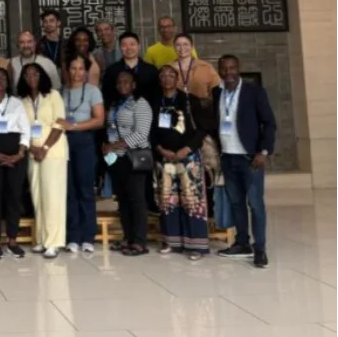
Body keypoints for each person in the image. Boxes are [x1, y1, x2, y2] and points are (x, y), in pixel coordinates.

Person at [214, 55, 276, 269]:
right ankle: (242, 244)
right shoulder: (217, 92)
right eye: (224, 68)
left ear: (238, 69)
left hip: (250, 158)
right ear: (219, 71)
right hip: (228, 157)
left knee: (256, 204)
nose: (228, 72)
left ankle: (260, 249)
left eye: (232, 67)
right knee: (236, 203)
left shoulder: (254, 92)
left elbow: (269, 123)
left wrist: (264, 151)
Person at [153, 66, 209, 260]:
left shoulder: (189, 100)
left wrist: (187, 149)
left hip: (189, 157)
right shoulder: (155, 101)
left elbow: (202, 129)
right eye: (163, 76)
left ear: (177, 79)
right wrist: (161, 150)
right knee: (168, 200)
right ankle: (172, 241)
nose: (167, 79)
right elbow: (151, 131)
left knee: (191, 199)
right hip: (165, 158)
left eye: (171, 75)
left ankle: (196, 245)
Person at [12, 62, 67, 258]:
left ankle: (54, 241)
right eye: (27, 75)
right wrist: (32, 148)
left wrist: (44, 147)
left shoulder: (53, 95)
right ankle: (43, 239)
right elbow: (22, 127)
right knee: (37, 196)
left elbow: (59, 123)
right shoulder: (23, 101)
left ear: (42, 75)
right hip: (32, 152)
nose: (31, 77)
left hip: (52, 151)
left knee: (53, 197)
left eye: (35, 73)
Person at [57, 55, 105, 253]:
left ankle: (88, 236)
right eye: (73, 68)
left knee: (85, 189)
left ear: (86, 71)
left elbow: (99, 119)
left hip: (84, 142)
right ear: (67, 70)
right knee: (69, 190)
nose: (77, 72)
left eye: (80, 69)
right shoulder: (61, 92)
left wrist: (75, 126)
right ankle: (72, 236)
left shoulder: (93, 91)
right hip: (63, 142)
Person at [104, 70, 153, 257]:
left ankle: (140, 241)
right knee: (123, 199)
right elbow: (111, 128)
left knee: (137, 199)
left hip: (134, 157)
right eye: (119, 82)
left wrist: (115, 145)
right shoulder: (116, 104)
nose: (122, 85)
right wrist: (107, 146)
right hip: (116, 158)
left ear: (133, 85)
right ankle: (128, 237)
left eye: (127, 82)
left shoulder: (140, 104)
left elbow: (141, 133)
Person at [0, 67, 29, 259]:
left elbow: (26, 130)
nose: (0, 80)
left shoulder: (17, 103)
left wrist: (19, 153)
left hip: (16, 156)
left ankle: (12, 239)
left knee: (14, 197)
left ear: (9, 81)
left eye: (3, 77)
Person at [101, 32, 160, 106]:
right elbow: (107, 96)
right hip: (119, 113)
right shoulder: (111, 70)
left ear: (139, 46)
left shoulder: (151, 70)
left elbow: (157, 96)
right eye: (124, 45)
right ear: (120, 47)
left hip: (146, 114)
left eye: (132, 44)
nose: (128, 48)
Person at [170, 33, 220, 99]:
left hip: (202, 107)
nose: (182, 48)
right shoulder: (168, 68)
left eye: (185, 44)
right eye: (178, 45)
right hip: (177, 107)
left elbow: (217, 90)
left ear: (192, 46)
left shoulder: (206, 67)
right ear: (174, 47)